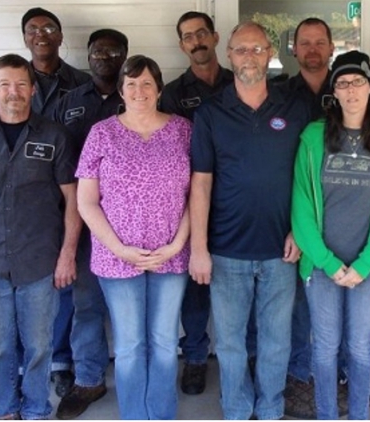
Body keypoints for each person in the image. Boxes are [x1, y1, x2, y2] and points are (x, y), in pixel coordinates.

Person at [189, 21, 311, 420]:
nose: (249, 57)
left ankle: (271, 409)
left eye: (257, 50)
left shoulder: (295, 107)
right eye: (242, 50)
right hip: (227, 251)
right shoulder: (211, 113)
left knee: (277, 342)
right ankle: (238, 410)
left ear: (270, 53)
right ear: (229, 55)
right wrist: (199, 248)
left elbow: (309, 178)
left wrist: (300, 229)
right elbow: (201, 184)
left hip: (282, 249)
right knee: (229, 343)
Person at [291, 50, 370, 420]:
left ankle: (358, 414)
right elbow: (302, 207)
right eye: (342, 83)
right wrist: (328, 263)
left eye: (357, 82)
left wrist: (363, 265)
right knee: (325, 348)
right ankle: (327, 414)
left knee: (360, 347)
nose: (351, 90)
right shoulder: (314, 137)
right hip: (322, 266)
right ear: (334, 92)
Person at [76, 55, 191, 419]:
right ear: (121, 91)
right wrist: (119, 248)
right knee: (128, 345)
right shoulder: (102, 133)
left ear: (159, 89)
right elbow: (86, 202)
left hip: (171, 255)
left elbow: (198, 195)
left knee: (163, 342)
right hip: (116, 257)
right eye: (131, 84)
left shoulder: (184, 131)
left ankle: (160, 414)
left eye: (146, 83)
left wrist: (177, 243)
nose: (139, 90)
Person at [0, 53, 80, 420]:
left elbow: (73, 200)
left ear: (32, 89)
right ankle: (6, 410)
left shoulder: (54, 136)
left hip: (40, 263)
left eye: (21, 84)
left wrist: (68, 254)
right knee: (1, 345)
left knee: (39, 346)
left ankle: (37, 410)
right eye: (5, 84)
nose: (13, 92)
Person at [12, 7, 91, 397]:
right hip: (31, 203)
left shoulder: (81, 84)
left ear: (60, 36)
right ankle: (25, 360)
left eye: (48, 28)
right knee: (28, 284)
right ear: (25, 38)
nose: (41, 34)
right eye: (33, 30)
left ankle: (61, 360)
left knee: (67, 283)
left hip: (75, 197)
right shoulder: (14, 83)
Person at [52, 28, 128, 419]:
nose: (104, 58)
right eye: (98, 51)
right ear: (88, 55)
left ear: (125, 56)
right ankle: (89, 378)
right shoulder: (69, 101)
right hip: (83, 222)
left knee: (133, 308)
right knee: (86, 305)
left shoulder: (137, 95)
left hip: (133, 225)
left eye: (113, 52)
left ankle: (137, 374)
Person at [159, 11, 233, 396]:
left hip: (238, 200)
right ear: (182, 45)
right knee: (196, 286)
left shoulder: (239, 83)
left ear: (215, 37)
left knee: (241, 284)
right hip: (191, 202)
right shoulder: (172, 94)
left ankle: (248, 355)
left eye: (202, 33)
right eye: (188, 37)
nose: (196, 41)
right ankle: (195, 359)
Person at [283, 17, 335, 394]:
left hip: (346, 212)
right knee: (300, 298)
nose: (312, 49)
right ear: (295, 49)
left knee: (346, 293)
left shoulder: (352, 87)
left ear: (331, 48)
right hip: (299, 212)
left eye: (320, 42)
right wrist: (295, 224)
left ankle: (343, 368)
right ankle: (300, 369)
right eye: (305, 43)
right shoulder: (280, 95)